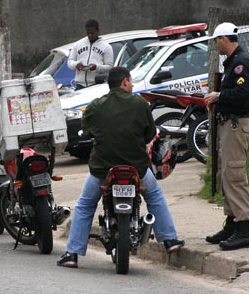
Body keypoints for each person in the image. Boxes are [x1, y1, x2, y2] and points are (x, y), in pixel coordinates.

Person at [57, 66, 184, 268]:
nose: (132, 85)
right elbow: (150, 135)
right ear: (125, 82)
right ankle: (169, 240)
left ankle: (72, 254)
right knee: (154, 196)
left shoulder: (96, 106)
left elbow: (87, 132)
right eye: (131, 81)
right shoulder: (139, 104)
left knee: (85, 205)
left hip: (102, 169)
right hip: (137, 168)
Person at [204, 22, 249, 251]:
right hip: (229, 125)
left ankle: (243, 230)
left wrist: (218, 96)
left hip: (236, 125)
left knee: (235, 175)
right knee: (228, 174)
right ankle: (232, 224)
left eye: (216, 41)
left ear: (224, 39)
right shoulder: (233, 62)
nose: (216, 45)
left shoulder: (240, 62)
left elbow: (245, 94)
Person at [67, 19, 114, 89]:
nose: (90, 35)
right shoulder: (77, 44)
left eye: (92, 33)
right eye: (88, 33)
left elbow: (109, 66)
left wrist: (96, 67)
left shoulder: (106, 47)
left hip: (97, 85)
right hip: (80, 85)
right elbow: (69, 62)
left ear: (98, 30)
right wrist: (76, 64)